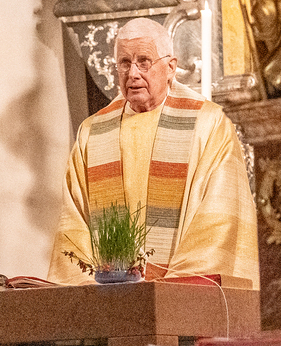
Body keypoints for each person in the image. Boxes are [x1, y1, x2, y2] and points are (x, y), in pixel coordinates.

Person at [47, 17, 259, 286]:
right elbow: (74, 226)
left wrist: (171, 289)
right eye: (125, 63)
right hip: (108, 300)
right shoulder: (93, 132)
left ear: (171, 67)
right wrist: (90, 290)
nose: (133, 73)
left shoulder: (208, 123)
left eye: (144, 61)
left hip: (180, 298)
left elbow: (218, 219)